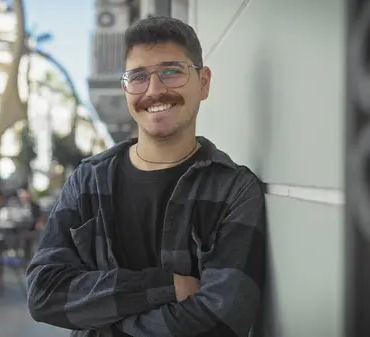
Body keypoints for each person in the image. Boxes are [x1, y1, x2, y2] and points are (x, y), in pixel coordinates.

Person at [26, 16, 266, 337]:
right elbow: (43, 293)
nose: (154, 90)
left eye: (171, 72)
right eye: (138, 77)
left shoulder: (233, 190)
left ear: (203, 82)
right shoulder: (88, 181)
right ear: (126, 88)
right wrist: (164, 287)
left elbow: (221, 321)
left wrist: (102, 323)